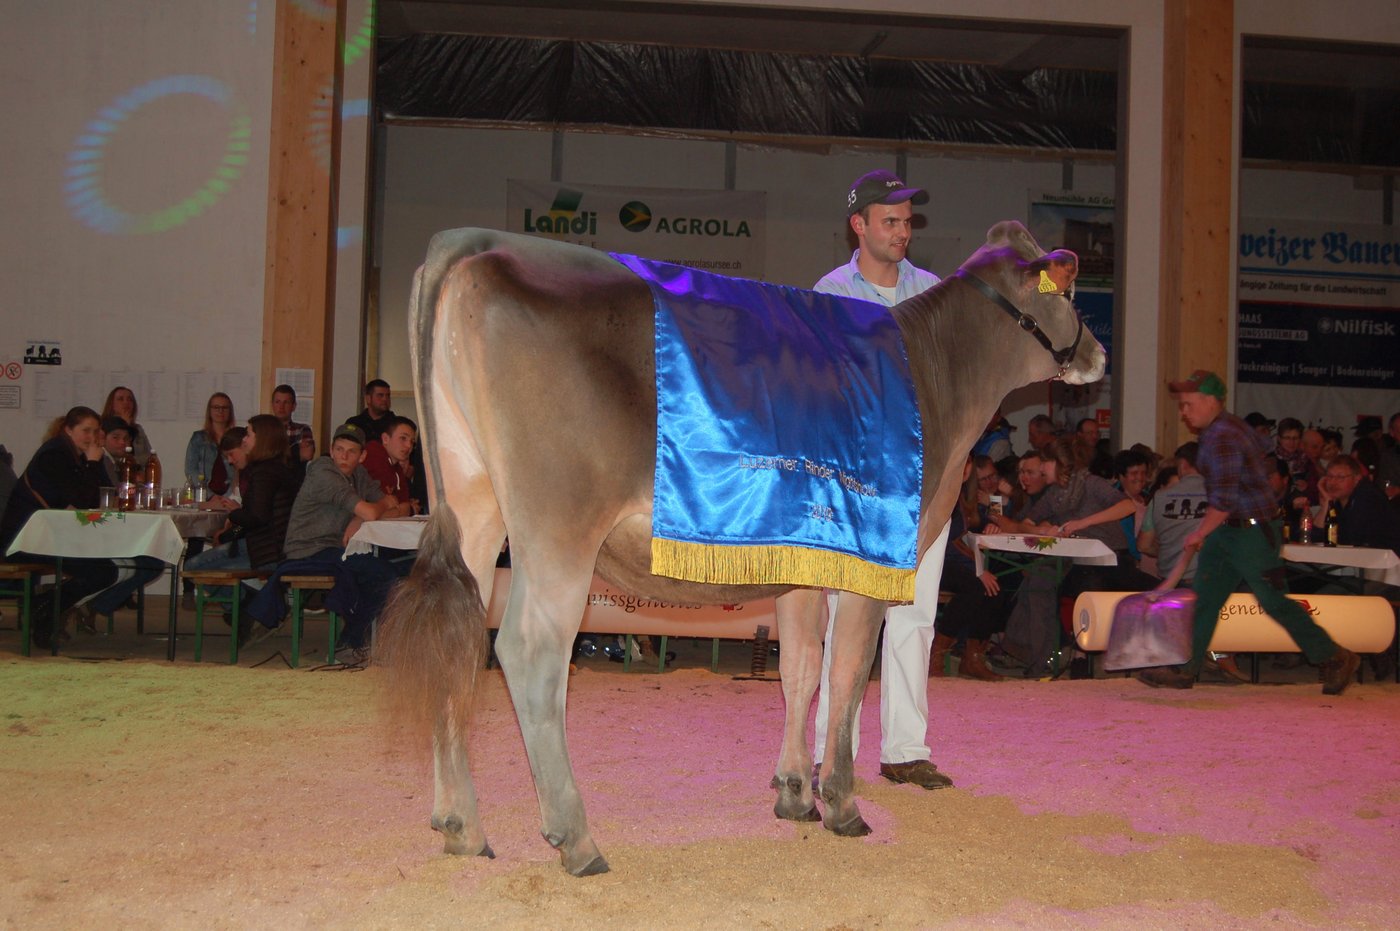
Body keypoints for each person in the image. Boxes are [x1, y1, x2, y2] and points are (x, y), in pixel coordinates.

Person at [811, 168, 951, 790]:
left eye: (908, 221)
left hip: (925, 469)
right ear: (858, 224)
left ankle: (905, 748)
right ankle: (826, 749)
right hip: (858, 473)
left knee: (915, 613)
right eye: (889, 221)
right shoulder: (831, 291)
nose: (902, 231)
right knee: (844, 613)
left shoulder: (934, 291)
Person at [1137, 370, 1359, 694]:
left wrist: (1197, 533)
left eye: (1188, 404)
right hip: (1233, 529)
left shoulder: (1223, 437)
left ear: (1211, 401)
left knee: (1273, 601)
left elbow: (1224, 500)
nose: (1183, 412)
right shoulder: (1228, 428)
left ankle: (1335, 656)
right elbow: (1258, 454)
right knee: (1206, 598)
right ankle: (1184, 668)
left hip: (1250, 533)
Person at [243, 423, 398, 640]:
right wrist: (376, 508)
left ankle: (357, 638)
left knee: (394, 569)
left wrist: (360, 517)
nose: (343, 456)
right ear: (331, 450)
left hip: (333, 547)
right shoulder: (324, 472)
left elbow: (397, 509)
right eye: (339, 449)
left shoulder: (359, 474)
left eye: (351, 451)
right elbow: (377, 510)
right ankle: (352, 641)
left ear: (362, 456)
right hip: (307, 549)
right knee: (383, 574)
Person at [1, 407, 129, 646]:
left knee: (105, 570)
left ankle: (45, 607)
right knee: (102, 571)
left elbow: (100, 496)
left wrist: (95, 462)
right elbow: (82, 499)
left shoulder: (75, 454)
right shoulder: (54, 454)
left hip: (50, 535)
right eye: (85, 431)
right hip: (24, 539)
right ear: (68, 430)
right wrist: (92, 463)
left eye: (95, 431)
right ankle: (46, 610)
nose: (91, 437)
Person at [181, 416, 300, 606]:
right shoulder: (274, 467)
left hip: (268, 550)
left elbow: (257, 517)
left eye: (249, 434)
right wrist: (231, 532)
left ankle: (253, 605)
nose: (245, 439)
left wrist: (234, 514)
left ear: (262, 439)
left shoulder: (264, 472)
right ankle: (248, 609)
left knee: (195, 567)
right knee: (206, 565)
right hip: (266, 544)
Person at [931, 458, 1019, 681]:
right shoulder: (946, 492)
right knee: (976, 587)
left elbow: (983, 525)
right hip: (938, 562)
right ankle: (936, 655)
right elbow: (949, 541)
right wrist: (979, 570)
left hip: (963, 562)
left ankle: (973, 658)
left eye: (993, 476)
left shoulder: (969, 497)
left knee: (995, 590)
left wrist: (992, 522)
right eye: (984, 478)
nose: (990, 481)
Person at [362, 415, 420, 512]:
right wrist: (409, 509)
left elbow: (402, 501)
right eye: (403, 438)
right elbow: (385, 505)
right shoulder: (373, 454)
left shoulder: (396, 465)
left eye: (412, 442)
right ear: (385, 439)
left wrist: (406, 507)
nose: (409, 446)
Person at [185, 392, 238, 497]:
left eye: (225, 408)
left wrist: (229, 497)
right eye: (216, 407)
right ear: (210, 411)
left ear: (230, 411)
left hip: (231, 496)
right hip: (203, 495)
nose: (220, 411)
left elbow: (239, 471)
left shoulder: (236, 438)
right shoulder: (198, 438)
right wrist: (210, 496)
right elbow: (190, 470)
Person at [101, 386, 153, 467]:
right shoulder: (102, 426)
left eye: (130, 400)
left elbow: (149, 457)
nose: (126, 403)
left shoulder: (138, 429)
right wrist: (125, 425)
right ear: (111, 404)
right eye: (120, 399)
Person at [270, 384, 315, 468]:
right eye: (277, 402)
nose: (281, 407)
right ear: (272, 405)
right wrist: (294, 451)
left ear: (293, 406)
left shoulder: (303, 429)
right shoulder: (264, 429)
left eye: (286, 402)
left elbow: (306, 456)